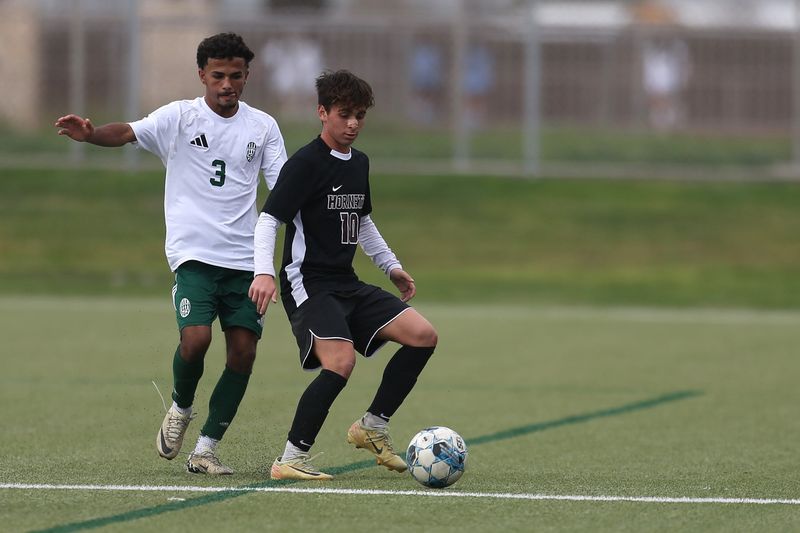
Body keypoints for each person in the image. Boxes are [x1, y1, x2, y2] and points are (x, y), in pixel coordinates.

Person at [54, 33, 288, 475]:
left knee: (243, 352)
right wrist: (90, 135)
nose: (227, 84)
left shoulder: (263, 127)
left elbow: (282, 190)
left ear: (247, 76)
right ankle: (180, 408)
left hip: (244, 261)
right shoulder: (180, 118)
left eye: (235, 76)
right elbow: (127, 132)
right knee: (196, 339)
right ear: (202, 74)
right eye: (218, 75)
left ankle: (206, 449)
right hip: (194, 255)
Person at [249, 70, 438, 480]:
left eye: (359, 116)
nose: (352, 124)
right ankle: (290, 459)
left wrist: (391, 266)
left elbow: (363, 221)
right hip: (309, 283)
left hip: (346, 283)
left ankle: (372, 426)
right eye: (343, 114)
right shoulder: (304, 164)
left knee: (423, 336)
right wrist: (263, 273)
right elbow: (268, 221)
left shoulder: (359, 163)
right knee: (340, 362)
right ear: (322, 113)